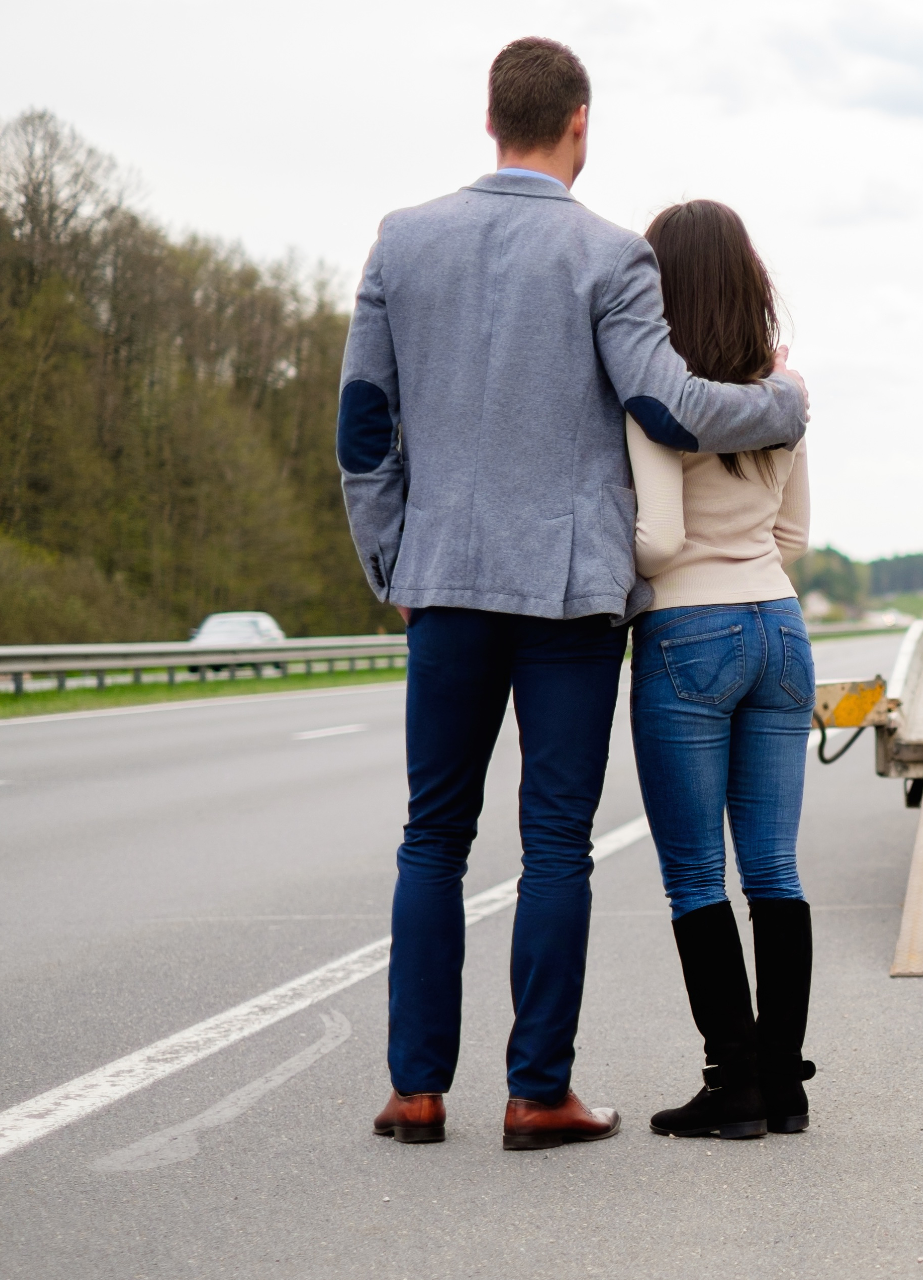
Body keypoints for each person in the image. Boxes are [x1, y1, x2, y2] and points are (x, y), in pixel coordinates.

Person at [337, 39, 809, 1152]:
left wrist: (392, 565)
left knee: (431, 840)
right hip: (570, 597)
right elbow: (674, 406)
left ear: (490, 116)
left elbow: (365, 426)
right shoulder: (610, 256)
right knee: (555, 843)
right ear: (580, 121)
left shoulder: (401, 242)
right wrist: (785, 407)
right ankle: (536, 1090)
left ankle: (415, 1088)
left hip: (443, 582)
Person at [623, 200, 816, 1141]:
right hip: (780, 627)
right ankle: (784, 1085)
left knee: (697, 873)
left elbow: (657, 541)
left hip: (687, 631)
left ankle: (730, 1086)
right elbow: (795, 536)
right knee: (774, 868)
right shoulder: (783, 393)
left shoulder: (657, 399)